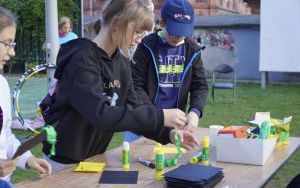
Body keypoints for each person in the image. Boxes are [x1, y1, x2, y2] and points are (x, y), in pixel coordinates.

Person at [40, 0, 199, 172]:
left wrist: (167, 134)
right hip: (63, 162)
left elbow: (134, 107)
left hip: (94, 159)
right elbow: (101, 116)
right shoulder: (83, 59)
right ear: (118, 24)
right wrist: (160, 116)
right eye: (137, 31)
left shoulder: (121, 62)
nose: (139, 39)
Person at [126, 0, 208, 142]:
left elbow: (200, 85)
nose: (179, 37)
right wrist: (157, 116)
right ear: (162, 23)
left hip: (174, 128)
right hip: (141, 126)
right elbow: (135, 86)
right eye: (175, 32)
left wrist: (195, 111)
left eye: (184, 32)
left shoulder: (193, 51)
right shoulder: (146, 46)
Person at [0, 6, 52, 185]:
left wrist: (27, 159)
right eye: (7, 43)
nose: (12, 52)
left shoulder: (2, 85)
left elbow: (5, 134)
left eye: (12, 45)